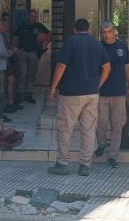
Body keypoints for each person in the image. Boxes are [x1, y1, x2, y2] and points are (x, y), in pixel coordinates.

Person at [47, 18, 110, 177]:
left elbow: (61, 65)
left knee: (65, 129)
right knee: (88, 130)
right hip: (91, 93)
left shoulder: (71, 42)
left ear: (75, 29)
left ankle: (62, 164)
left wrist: (54, 86)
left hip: (71, 93)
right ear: (88, 29)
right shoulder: (97, 44)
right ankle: (85, 165)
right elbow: (107, 67)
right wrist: (98, 85)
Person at [95, 20, 129, 168]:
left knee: (117, 125)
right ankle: (102, 144)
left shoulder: (122, 46)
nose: (106, 35)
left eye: (109, 32)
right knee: (101, 123)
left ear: (114, 31)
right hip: (102, 93)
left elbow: (127, 66)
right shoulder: (98, 46)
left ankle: (113, 155)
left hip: (119, 92)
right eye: (104, 32)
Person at [12, 9, 51, 105]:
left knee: (31, 74)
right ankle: (18, 95)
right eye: (30, 15)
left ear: (36, 17)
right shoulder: (22, 25)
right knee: (21, 74)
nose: (31, 18)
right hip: (22, 53)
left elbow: (49, 34)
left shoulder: (39, 26)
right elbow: (16, 37)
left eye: (34, 16)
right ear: (28, 16)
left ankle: (28, 95)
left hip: (34, 54)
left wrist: (46, 43)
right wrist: (14, 48)